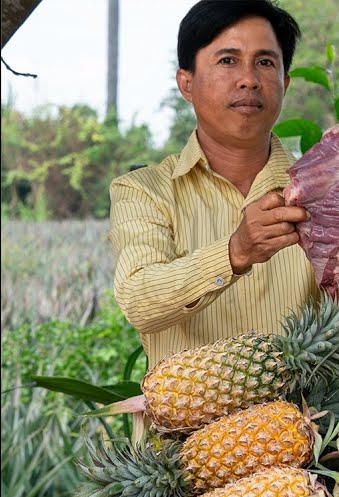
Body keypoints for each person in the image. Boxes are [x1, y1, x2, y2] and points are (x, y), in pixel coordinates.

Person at [109, 0, 316, 363]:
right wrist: (235, 253)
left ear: (284, 83)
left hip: (311, 419)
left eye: (265, 62)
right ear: (186, 84)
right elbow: (139, 300)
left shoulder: (321, 189)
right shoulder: (143, 191)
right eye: (227, 60)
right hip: (190, 419)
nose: (249, 79)